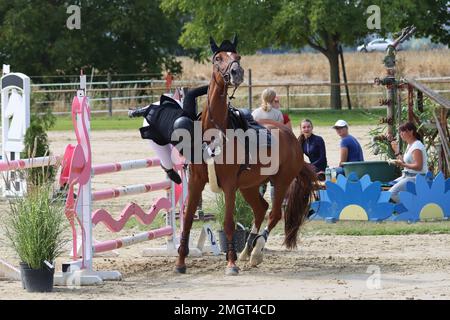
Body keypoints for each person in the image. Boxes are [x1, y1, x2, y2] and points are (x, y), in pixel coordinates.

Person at [128, 85, 208, 184]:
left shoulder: (189, 115)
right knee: (169, 163)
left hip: (167, 107)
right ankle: (168, 171)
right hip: (152, 124)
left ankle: (138, 111)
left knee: (182, 101)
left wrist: (216, 86)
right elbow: (196, 158)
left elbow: (191, 94)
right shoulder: (176, 140)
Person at [252, 88, 284, 202]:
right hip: (274, 149)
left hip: (259, 150)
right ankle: (276, 206)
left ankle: (258, 204)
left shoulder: (255, 113)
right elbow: (282, 133)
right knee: (274, 181)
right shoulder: (278, 114)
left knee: (260, 180)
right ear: (273, 98)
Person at [389, 122, 428, 203]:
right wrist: (396, 150)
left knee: (391, 193)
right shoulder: (410, 145)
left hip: (416, 177)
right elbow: (404, 161)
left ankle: (412, 207)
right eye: (400, 132)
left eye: (403, 131)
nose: (400, 134)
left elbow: (418, 166)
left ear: (411, 132)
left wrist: (402, 164)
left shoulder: (417, 146)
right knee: (388, 185)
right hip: (407, 176)